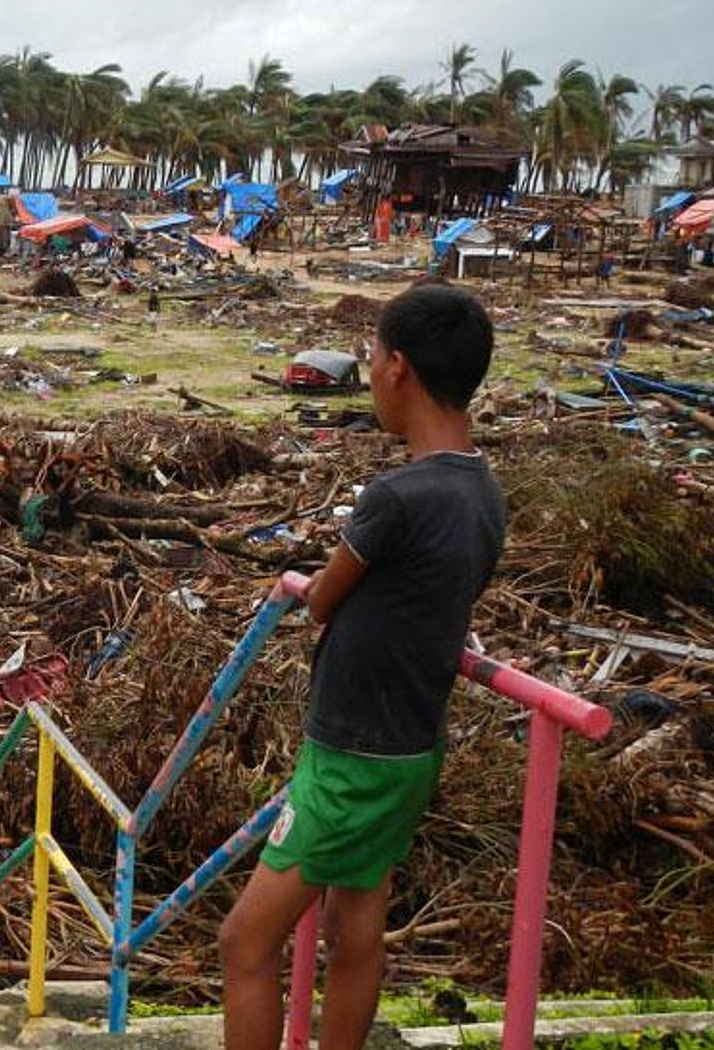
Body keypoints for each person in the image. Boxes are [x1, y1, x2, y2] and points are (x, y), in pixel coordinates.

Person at [218, 284, 505, 1050]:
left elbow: (322, 600)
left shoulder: (396, 497)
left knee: (243, 942)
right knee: (356, 930)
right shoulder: (481, 491)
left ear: (399, 368)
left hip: (351, 759)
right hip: (411, 743)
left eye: (373, 356)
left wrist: (315, 585)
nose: (371, 372)